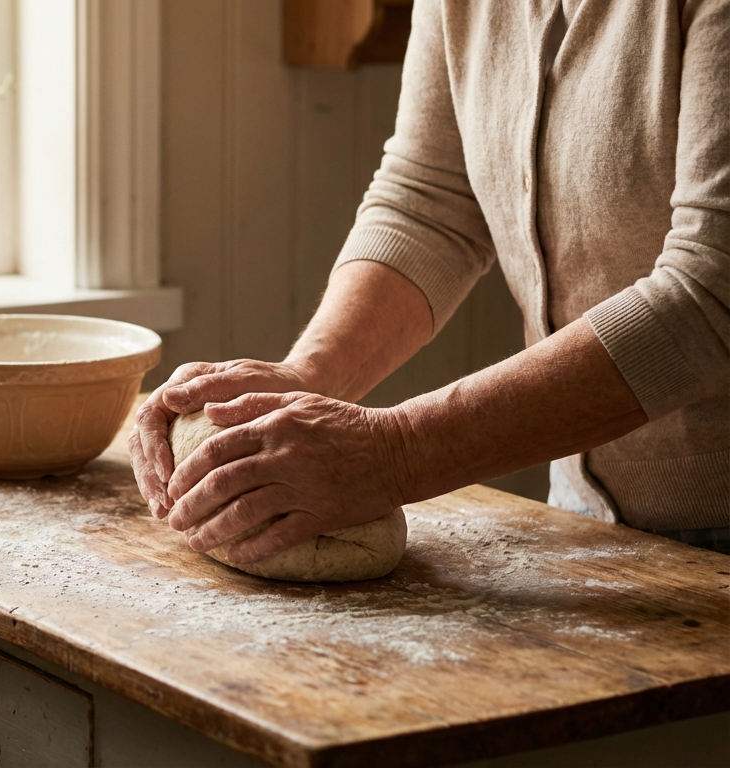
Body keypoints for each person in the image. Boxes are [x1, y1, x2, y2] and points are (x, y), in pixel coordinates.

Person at [131, 0, 730, 558]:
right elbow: (429, 203)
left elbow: (712, 287)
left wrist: (394, 452)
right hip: (577, 508)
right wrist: (306, 376)